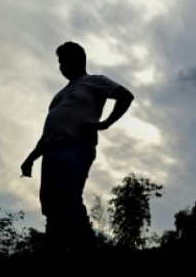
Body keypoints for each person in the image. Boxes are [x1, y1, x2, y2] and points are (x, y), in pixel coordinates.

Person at [21, 41, 134, 254]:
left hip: (76, 146)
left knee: (67, 197)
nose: (62, 66)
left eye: (65, 61)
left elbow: (125, 96)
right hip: (51, 150)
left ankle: (84, 249)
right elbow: (50, 131)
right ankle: (55, 249)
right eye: (60, 62)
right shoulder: (60, 94)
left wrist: (105, 123)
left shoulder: (94, 81)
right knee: (51, 205)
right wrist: (31, 158)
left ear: (79, 60)